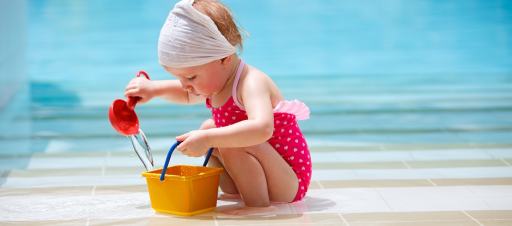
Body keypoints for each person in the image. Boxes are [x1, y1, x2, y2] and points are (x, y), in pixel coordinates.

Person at [124, 0, 312, 215]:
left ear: (224, 57)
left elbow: (262, 129)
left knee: (221, 137)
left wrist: (209, 139)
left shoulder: (251, 82)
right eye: (180, 78)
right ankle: (235, 193)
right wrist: (154, 89)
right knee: (208, 127)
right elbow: (186, 93)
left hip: (288, 182)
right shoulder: (217, 82)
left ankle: (258, 206)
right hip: (265, 174)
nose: (186, 85)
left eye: (191, 76)